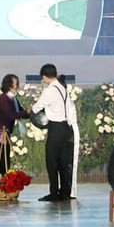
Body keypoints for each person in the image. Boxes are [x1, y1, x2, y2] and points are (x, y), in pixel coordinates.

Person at [30, 64, 79, 201]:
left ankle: (53, 193)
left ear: (44, 77)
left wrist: (31, 108)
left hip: (56, 128)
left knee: (52, 161)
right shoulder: (62, 88)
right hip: (66, 128)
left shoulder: (49, 90)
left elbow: (37, 108)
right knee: (64, 162)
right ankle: (64, 192)